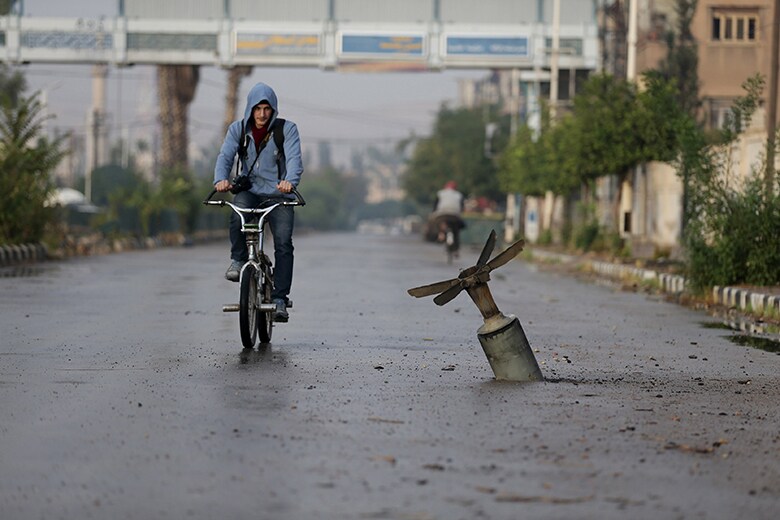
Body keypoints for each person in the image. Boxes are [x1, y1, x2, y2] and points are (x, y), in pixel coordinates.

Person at [213, 82, 303, 322]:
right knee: (238, 212)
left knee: (283, 243)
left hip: (279, 194)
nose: (262, 114)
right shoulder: (238, 130)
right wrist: (220, 179)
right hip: (250, 190)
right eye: (257, 108)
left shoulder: (287, 130)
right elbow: (225, 156)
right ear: (250, 109)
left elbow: (294, 159)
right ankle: (238, 259)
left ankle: (280, 298)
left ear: (273, 109)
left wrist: (290, 181)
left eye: (267, 108)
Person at [431, 181, 465, 251]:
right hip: (455, 216)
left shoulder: (440, 193)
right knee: (456, 231)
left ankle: (441, 234)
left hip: (442, 214)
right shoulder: (459, 195)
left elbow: (435, 205)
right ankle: (456, 249)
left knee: (436, 222)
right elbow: (461, 206)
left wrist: (434, 212)